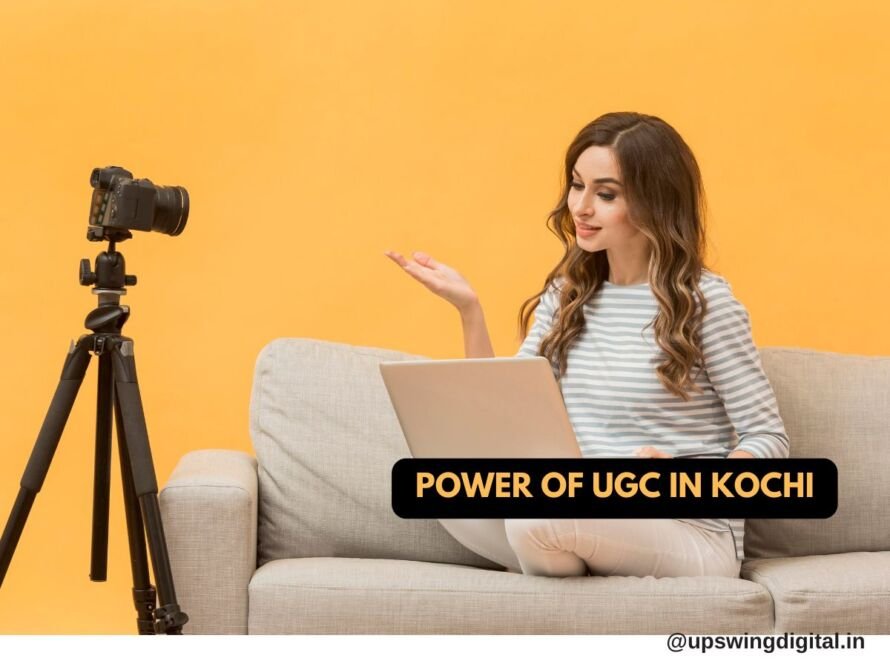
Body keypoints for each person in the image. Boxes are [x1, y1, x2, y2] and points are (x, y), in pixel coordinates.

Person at [383, 111, 790, 579]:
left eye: (606, 194)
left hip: (687, 529)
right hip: (584, 508)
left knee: (539, 517)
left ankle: (559, 570)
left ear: (654, 201)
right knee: (449, 489)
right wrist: (469, 310)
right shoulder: (567, 295)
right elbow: (505, 411)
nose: (581, 207)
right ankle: (581, 583)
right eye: (577, 185)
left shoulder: (706, 304)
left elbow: (769, 440)